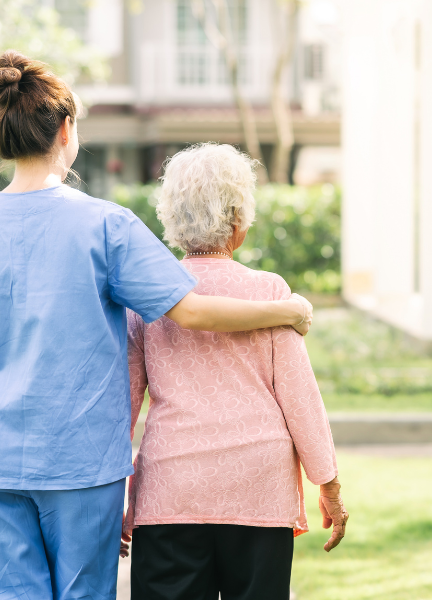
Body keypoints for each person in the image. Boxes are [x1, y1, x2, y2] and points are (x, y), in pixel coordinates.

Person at [0, 51, 313, 600]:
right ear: (66, 130)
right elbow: (191, 310)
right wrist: (286, 311)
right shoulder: (106, 225)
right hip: (81, 464)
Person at [121, 143, 348, 600]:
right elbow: (301, 400)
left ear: (172, 218)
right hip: (258, 490)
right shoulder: (270, 292)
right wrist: (329, 487)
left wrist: (114, 498)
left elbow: (120, 407)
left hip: (171, 490)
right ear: (239, 221)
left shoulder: (148, 298)